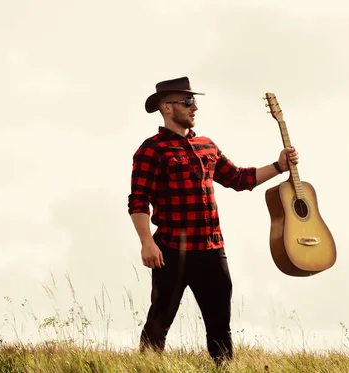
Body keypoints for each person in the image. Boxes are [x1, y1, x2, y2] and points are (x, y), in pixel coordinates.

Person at [127, 76, 298, 366]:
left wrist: (280, 166)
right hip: (171, 251)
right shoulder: (151, 150)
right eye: (188, 102)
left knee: (220, 327)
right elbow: (138, 200)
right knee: (159, 321)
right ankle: (144, 368)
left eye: (195, 102)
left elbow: (240, 179)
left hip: (211, 250)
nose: (194, 108)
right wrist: (147, 243)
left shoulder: (207, 146)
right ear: (167, 108)